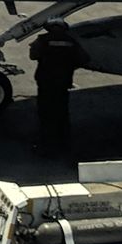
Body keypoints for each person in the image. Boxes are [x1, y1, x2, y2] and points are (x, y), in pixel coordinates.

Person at [29, 21, 87, 155]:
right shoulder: (71, 41)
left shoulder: (43, 40)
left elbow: (33, 55)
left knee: (45, 116)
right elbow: (84, 59)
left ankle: (46, 147)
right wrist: (69, 66)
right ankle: (64, 146)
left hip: (46, 84)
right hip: (62, 85)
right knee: (61, 115)